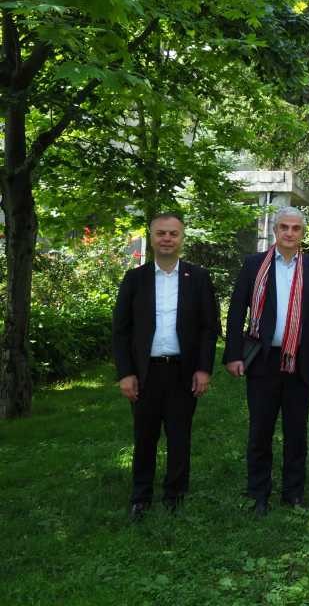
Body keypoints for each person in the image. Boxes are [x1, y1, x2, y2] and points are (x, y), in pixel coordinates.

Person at [225, 207, 309, 515]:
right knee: (260, 430)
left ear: (303, 233)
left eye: (296, 228)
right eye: (284, 227)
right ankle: (258, 492)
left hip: (301, 360)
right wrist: (233, 354)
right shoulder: (254, 265)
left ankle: (293, 492)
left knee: (296, 431)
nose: (289, 233)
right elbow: (236, 311)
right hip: (262, 360)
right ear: (275, 230)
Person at [112, 212, 219, 519]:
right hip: (145, 372)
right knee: (144, 436)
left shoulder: (198, 278)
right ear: (151, 237)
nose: (167, 239)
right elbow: (121, 330)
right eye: (161, 233)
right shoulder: (135, 279)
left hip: (182, 371)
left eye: (173, 233)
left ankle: (175, 495)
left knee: (179, 435)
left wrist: (204, 369)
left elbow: (209, 328)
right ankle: (141, 496)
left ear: (182, 238)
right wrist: (126, 373)